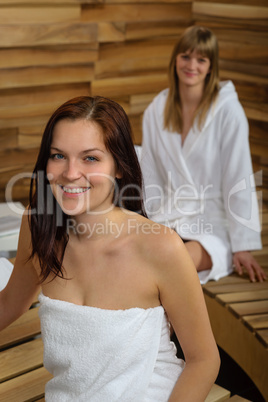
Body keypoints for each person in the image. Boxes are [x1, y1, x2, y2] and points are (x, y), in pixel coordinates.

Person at [0, 96, 220, 401]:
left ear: (119, 166)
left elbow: (204, 360)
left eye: (90, 158)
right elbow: (9, 302)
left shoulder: (160, 247)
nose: (70, 172)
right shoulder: (38, 227)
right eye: (58, 155)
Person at [140, 25, 266, 284]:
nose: (191, 65)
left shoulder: (228, 112)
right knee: (135, 256)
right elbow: (151, 173)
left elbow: (238, 175)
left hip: (213, 223)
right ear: (175, 59)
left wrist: (242, 245)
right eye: (185, 56)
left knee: (171, 263)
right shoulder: (157, 109)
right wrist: (147, 221)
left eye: (201, 59)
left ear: (211, 67)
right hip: (168, 215)